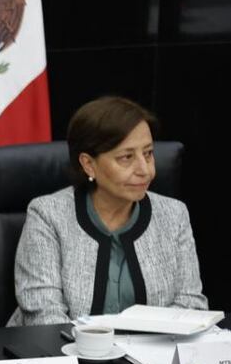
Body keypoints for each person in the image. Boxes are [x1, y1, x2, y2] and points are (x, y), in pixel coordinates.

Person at [10, 97, 207, 325]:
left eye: (148, 153)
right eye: (127, 157)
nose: (145, 170)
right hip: (58, 354)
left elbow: (191, 304)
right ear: (88, 164)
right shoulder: (48, 215)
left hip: (149, 358)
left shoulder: (174, 215)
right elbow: (44, 315)